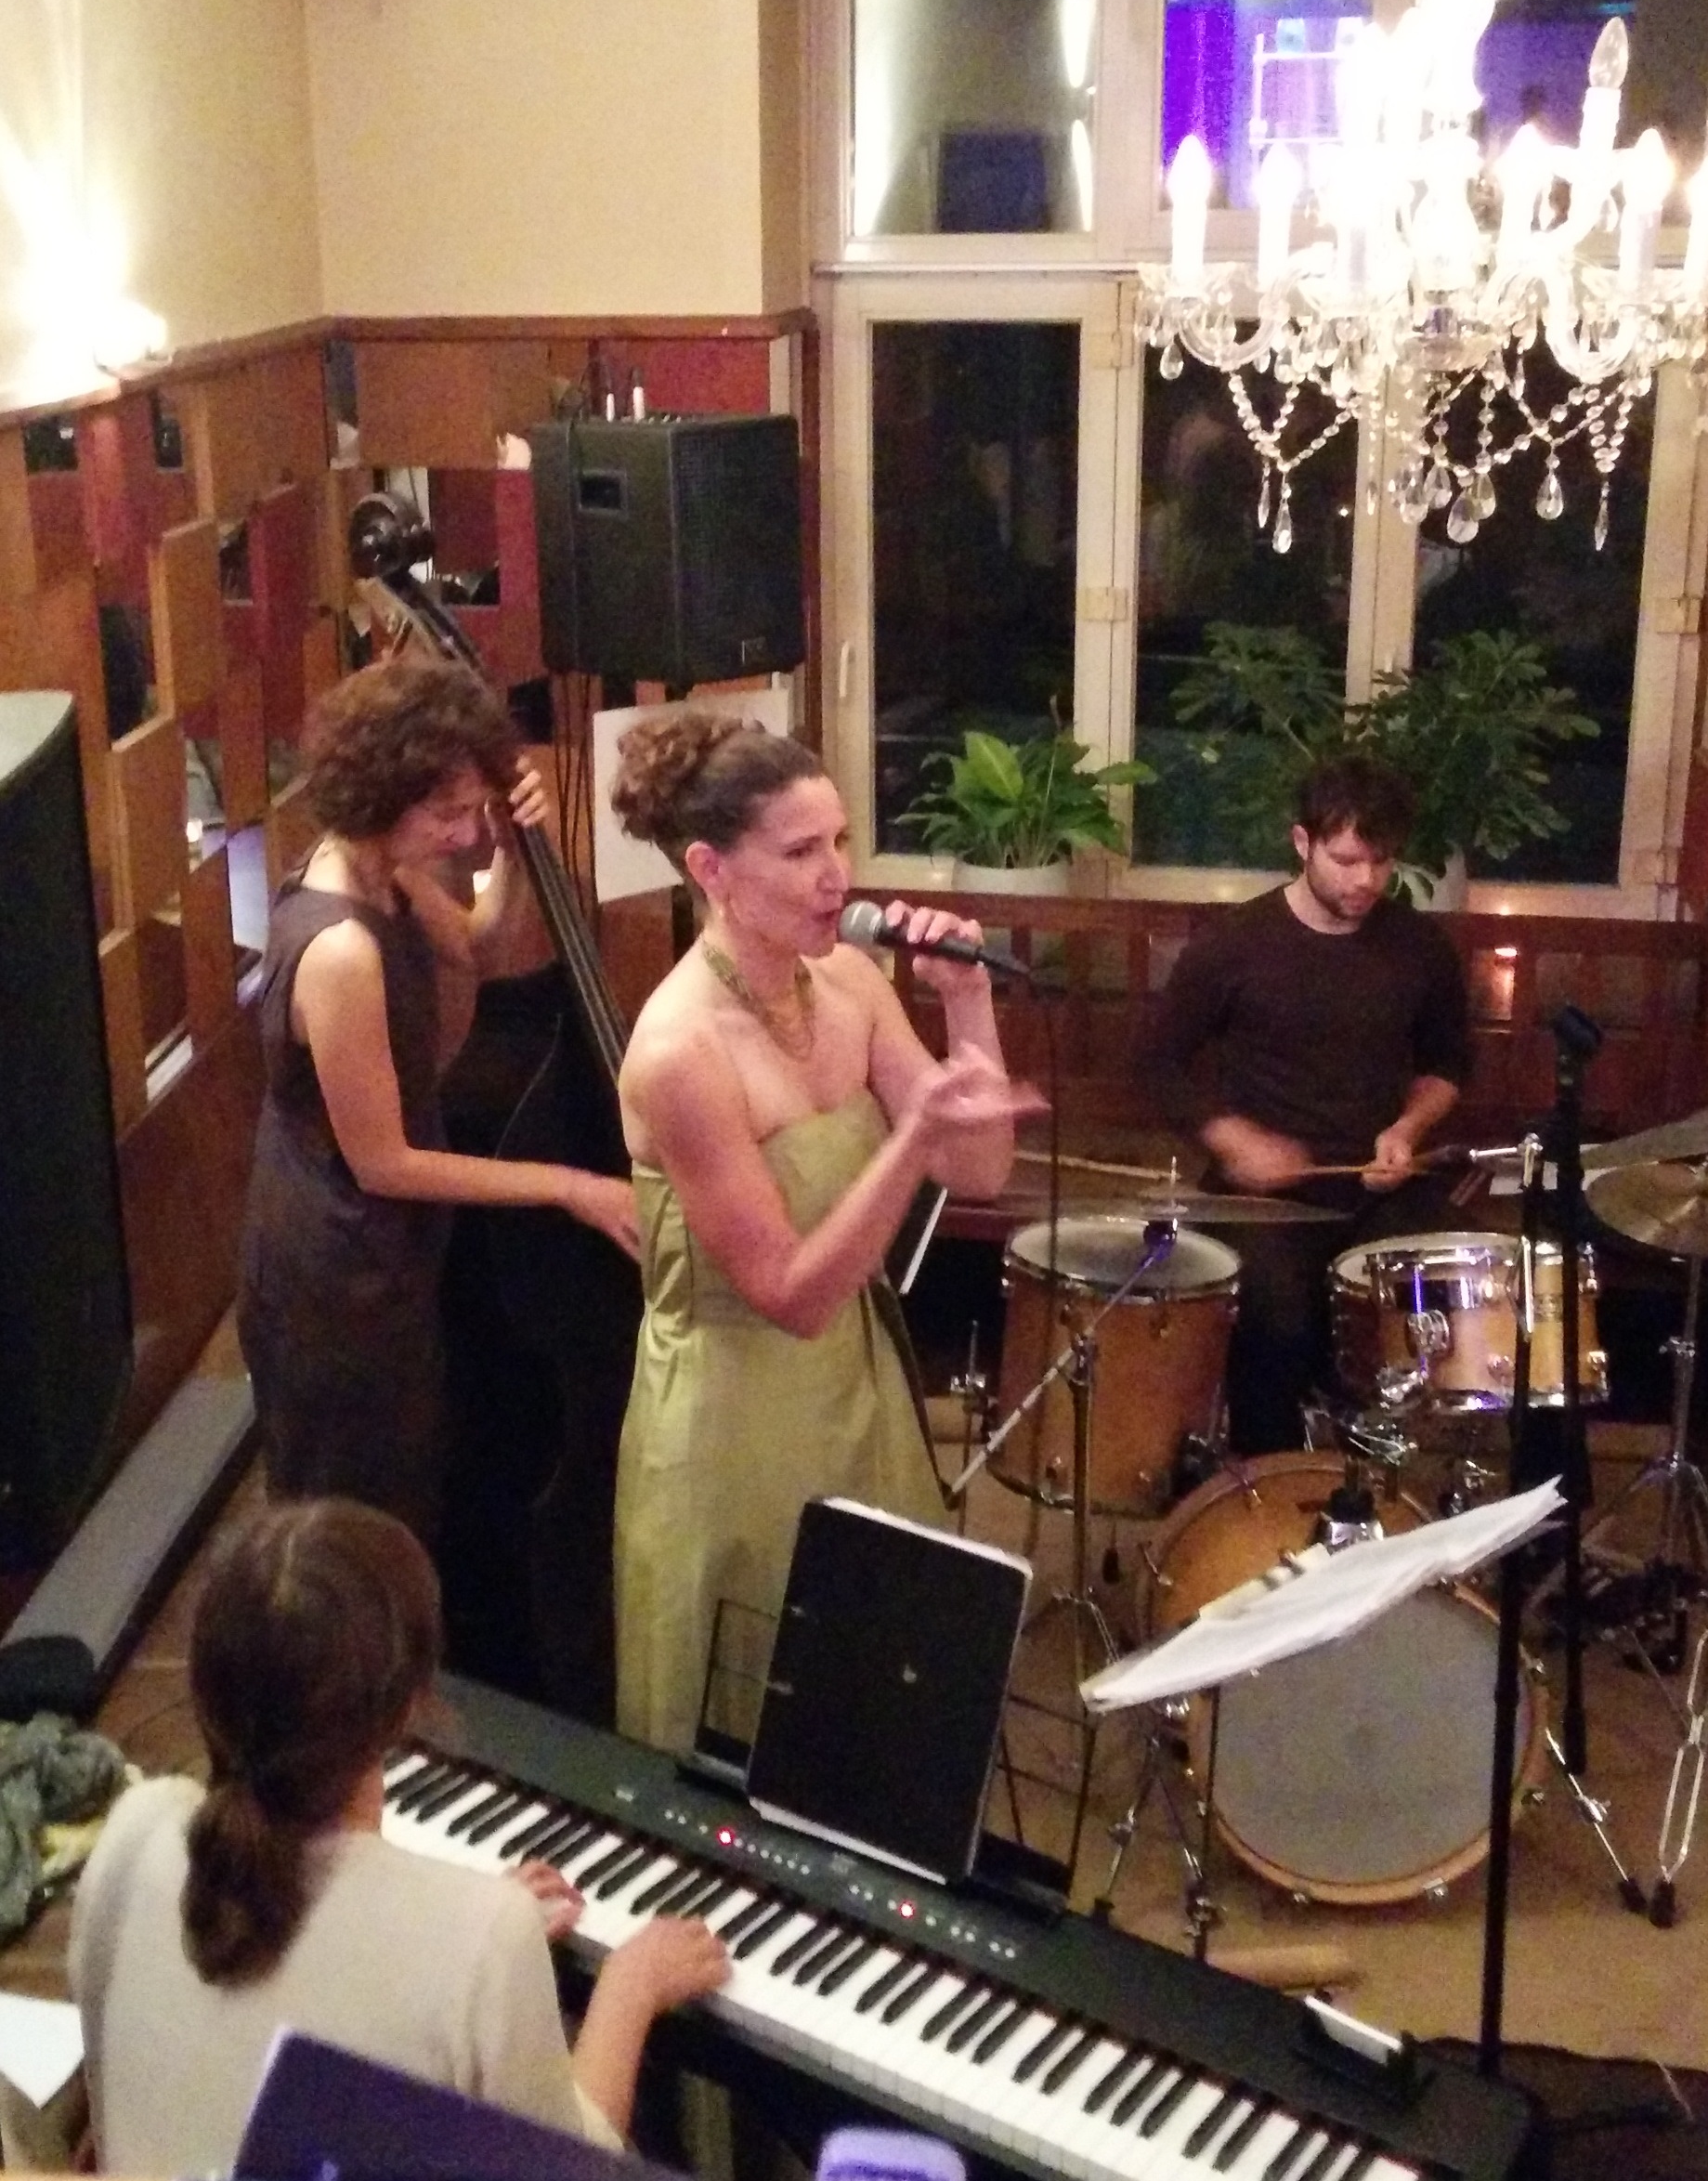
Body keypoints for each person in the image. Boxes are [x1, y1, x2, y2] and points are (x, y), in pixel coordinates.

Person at [67, 1498, 728, 2175]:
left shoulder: (133, 1831)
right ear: (408, 1704)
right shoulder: (485, 1935)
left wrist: (463, 1943)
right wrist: (629, 1987)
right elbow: (571, 2172)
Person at [609, 712, 1038, 1753]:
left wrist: (968, 1006)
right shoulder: (678, 1051)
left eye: (840, 841)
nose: (836, 877)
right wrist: (912, 1134)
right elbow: (791, 1296)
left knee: (876, 1689)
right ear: (711, 869)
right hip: (734, 1411)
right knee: (758, 1705)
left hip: (859, 1384)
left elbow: (978, 1171)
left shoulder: (849, 980)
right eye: (801, 851)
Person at [236, 650, 640, 1543]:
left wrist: (517, 850)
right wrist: (572, 1185)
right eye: (447, 813)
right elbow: (384, 1163)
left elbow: (480, 951)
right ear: (380, 797)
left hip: (379, 1235)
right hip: (335, 1258)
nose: (464, 835)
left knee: (411, 1477)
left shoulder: (387, 869)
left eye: (472, 810)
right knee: (349, 1513)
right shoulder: (340, 951)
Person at [1150, 754, 1471, 1455]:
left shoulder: (1419, 947)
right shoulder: (1233, 944)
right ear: (1302, 843)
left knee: (1444, 1291)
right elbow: (1158, 1063)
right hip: (1263, 1200)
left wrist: (1406, 1128)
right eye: (1346, 860)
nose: (1365, 881)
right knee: (1278, 1317)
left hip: (1378, 1187)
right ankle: (1268, 1474)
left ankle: (1384, 1467)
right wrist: (1232, 1138)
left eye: (1380, 862)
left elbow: (1447, 1066)